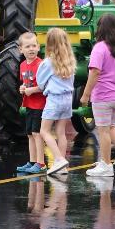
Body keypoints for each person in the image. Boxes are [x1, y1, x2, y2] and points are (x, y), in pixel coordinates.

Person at [82, 14, 115, 178]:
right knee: (111, 127)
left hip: (103, 95)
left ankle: (105, 164)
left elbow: (95, 71)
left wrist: (85, 94)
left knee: (103, 130)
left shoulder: (100, 47)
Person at [38, 27, 76, 175]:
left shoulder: (48, 62)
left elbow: (41, 83)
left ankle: (59, 159)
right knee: (61, 133)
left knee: (44, 131)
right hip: (68, 99)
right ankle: (62, 167)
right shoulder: (70, 62)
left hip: (54, 99)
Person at [15, 32, 47, 174]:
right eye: (27, 46)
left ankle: (41, 163)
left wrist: (31, 90)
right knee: (29, 134)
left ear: (39, 47)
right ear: (21, 49)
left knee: (37, 133)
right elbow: (25, 83)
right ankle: (32, 161)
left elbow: (45, 86)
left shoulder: (41, 64)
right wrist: (22, 88)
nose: (31, 49)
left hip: (40, 105)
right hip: (29, 104)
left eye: (34, 46)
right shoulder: (22, 65)